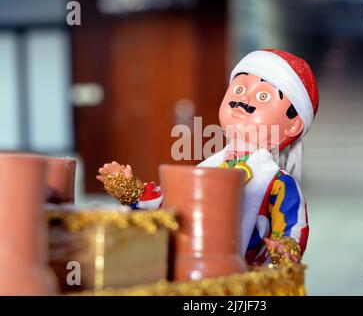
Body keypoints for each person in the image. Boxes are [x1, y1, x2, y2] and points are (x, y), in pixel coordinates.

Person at [96, 49, 319, 265]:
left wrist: (285, 248)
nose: (243, 100)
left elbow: (292, 224)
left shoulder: (276, 183)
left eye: (263, 96)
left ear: (293, 124)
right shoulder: (208, 167)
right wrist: (130, 189)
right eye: (239, 90)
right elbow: (170, 205)